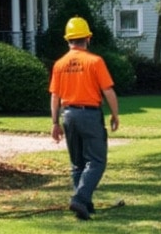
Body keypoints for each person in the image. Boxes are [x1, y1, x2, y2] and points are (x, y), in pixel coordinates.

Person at [48, 16, 120, 221]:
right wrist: (115, 114)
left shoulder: (59, 64)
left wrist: (54, 122)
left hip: (68, 114)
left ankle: (84, 205)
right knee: (97, 160)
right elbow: (108, 91)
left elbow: (54, 95)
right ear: (88, 38)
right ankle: (80, 198)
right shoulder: (95, 61)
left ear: (68, 40)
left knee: (77, 163)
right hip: (89, 114)